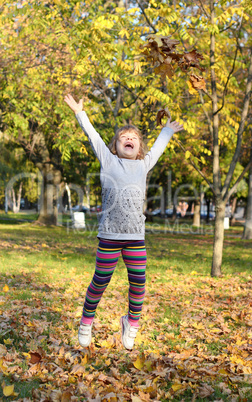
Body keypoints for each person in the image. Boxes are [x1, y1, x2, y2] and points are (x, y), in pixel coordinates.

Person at [64, 94, 184, 350]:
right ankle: (86, 321)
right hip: (109, 235)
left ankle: (132, 323)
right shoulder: (108, 161)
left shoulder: (143, 165)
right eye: (123, 137)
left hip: (135, 237)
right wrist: (80, 113)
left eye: (134, 138)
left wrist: (166, 131)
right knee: (101, 280)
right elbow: (93, 136)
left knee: (139, 280)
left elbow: (159, 148)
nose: (128, 139)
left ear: (139, 148)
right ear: (114, 147)